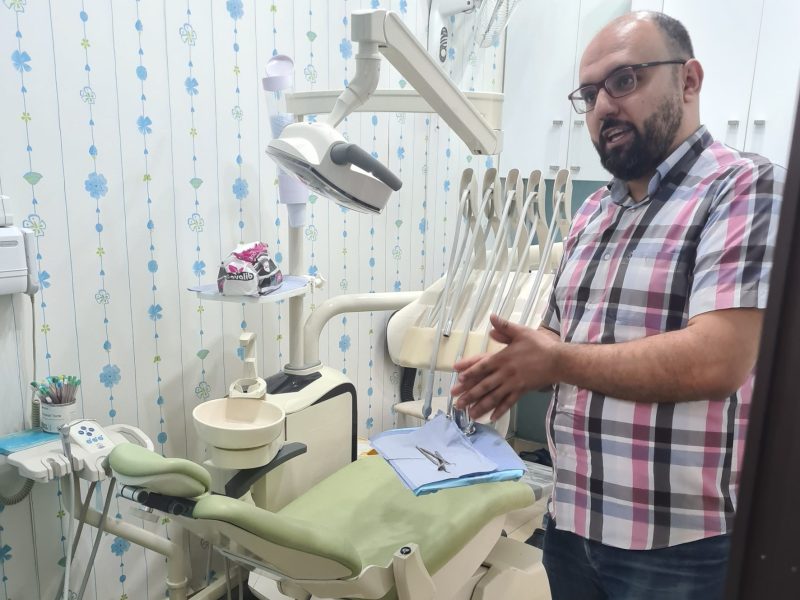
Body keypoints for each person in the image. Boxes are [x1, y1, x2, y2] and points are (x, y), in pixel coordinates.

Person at [451, 11, 784, 600]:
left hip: (680, 549)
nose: (602, 105)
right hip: (572, 526)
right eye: (588, 93)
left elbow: (718, 360)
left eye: (624, 79)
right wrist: (509, 370)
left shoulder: (744, 188)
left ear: (689, 80)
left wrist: (553, 361)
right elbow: (562, 340)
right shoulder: (593, 215)